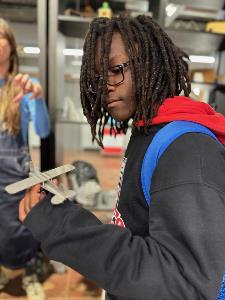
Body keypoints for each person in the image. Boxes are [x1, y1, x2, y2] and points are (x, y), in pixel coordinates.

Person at [19, 15, 225, 300]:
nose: (106, 85)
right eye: (98, 78)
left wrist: (62, 225)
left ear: (150, 63)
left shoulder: (187, 150)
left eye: (116, 69)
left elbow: (184, 284)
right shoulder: (147, 131)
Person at [0, 18, 50, 300]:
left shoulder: (24, 87)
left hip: (15, 176)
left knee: (22, 228)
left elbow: (43, 130)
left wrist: (38, 99)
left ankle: (31, 270)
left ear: (11, 45)